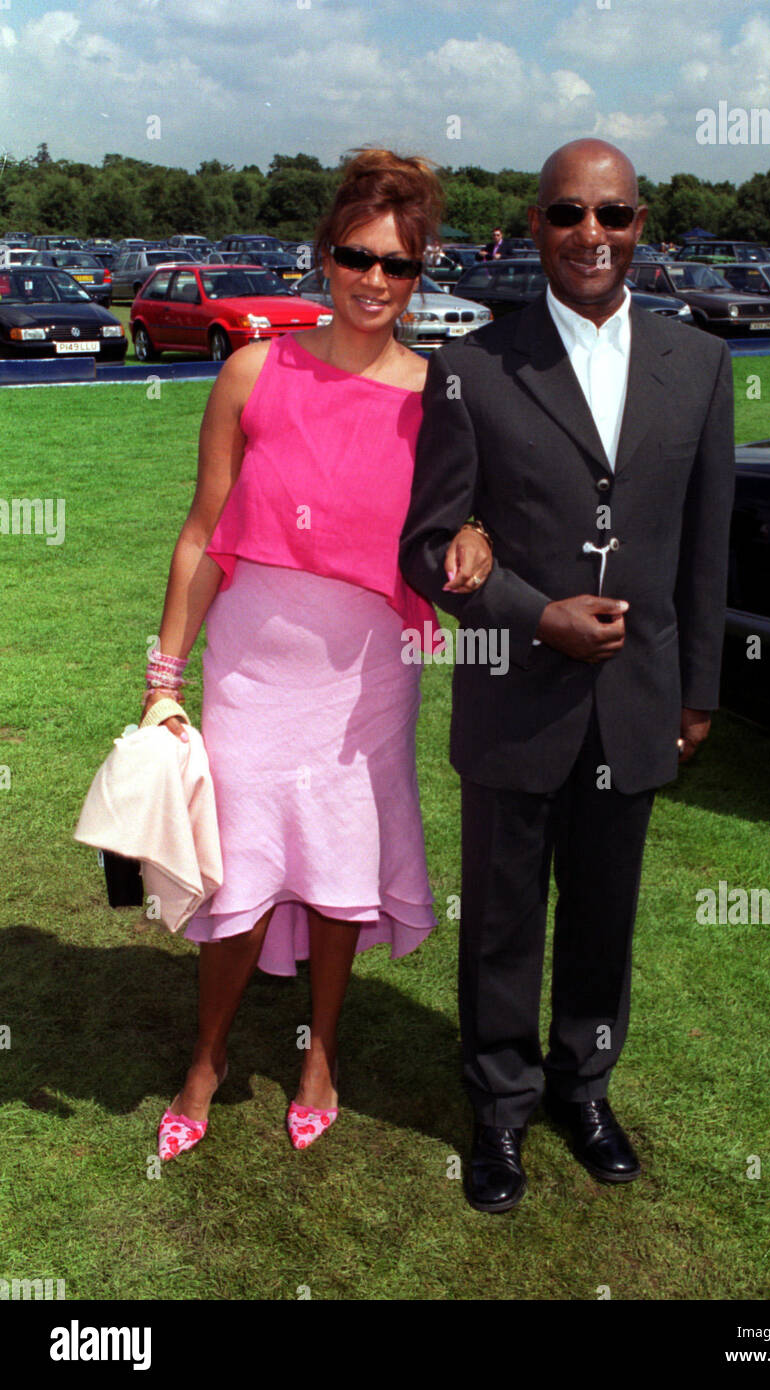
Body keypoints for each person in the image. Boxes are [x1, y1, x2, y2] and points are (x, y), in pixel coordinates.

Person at [400, 137, 735, 1213]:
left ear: (641, 226)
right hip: (516, 697)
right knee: (503, 915)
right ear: (533, 226)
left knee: (603, 914)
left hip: (635, 700)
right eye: (566, 214)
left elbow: (706, 545)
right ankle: (498, 1106)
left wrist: (698, 690)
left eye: (613, 214)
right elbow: (426, 545)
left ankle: (581, 1087)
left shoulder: (699, 364)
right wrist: (527, 611)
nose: (591, 234)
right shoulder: (471, 367)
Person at [145, 148, 492, 1162]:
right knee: (240, 872)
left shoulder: (441, 400)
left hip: (367, 678)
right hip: (254, 669)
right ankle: (205, 1058)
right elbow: (204, 527)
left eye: (399, 263)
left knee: (342, 869)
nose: (375, 281)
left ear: (421, 272)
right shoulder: (255, 369)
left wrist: (482, 538)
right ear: (323, 257)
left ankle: (319, 1054)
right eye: (356, 256)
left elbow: (474, 521)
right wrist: (164, 675)